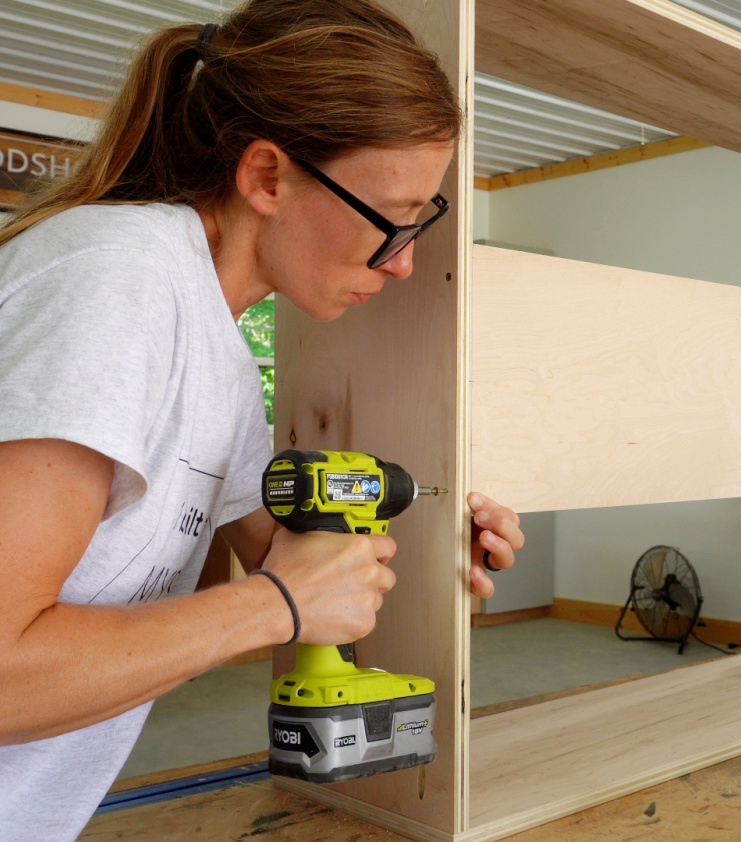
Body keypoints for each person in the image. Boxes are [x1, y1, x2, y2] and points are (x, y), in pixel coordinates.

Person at [0, 1, 524, 838]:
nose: (406, 260)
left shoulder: (225, 358)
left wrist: (423, 541)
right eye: (390, 216)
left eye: (424, 218)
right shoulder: (114, 283)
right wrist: (274, 603)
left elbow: (291, 557)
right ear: (267, 176)